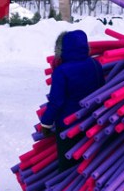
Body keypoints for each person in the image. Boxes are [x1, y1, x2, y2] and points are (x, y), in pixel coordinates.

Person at [40, 30, 105, 172]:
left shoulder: (61, 71)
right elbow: (102, 90)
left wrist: (46, 123)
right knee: (88, 162)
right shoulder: (95, 64)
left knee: (68, 164)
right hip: (91, 123)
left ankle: (63, 189)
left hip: (68, 126)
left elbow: (56, 102)